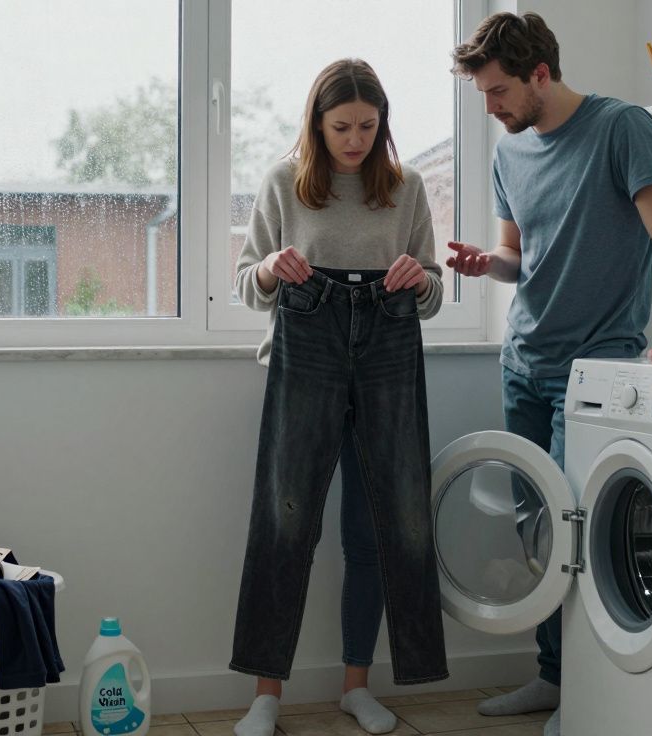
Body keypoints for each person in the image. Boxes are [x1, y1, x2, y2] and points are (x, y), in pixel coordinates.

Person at [446, 12, 652, 736]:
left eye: (499, 91)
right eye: (483, 94)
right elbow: (517, 258)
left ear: (540, 74)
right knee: (539, 539)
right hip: (523, 363)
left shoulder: (621, 128)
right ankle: (555, 677)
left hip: (595, 368)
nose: (491, 107)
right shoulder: (510, 154)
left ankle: (590, 699)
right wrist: (484, 264)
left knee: (579, 539)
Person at [228, 58, 449, 736]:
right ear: (317, 126)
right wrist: (269, 267)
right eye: (341, 127)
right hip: (309, 349)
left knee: (385, 526)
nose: (354, 140)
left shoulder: (405, 188)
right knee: (286, 519)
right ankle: (267, 693)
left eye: (367, 126)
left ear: (383, 126)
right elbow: (246, 283)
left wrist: (418, 281)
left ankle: (358, 684)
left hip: (387, 348)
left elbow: (434, 292)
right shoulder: (283, 184)